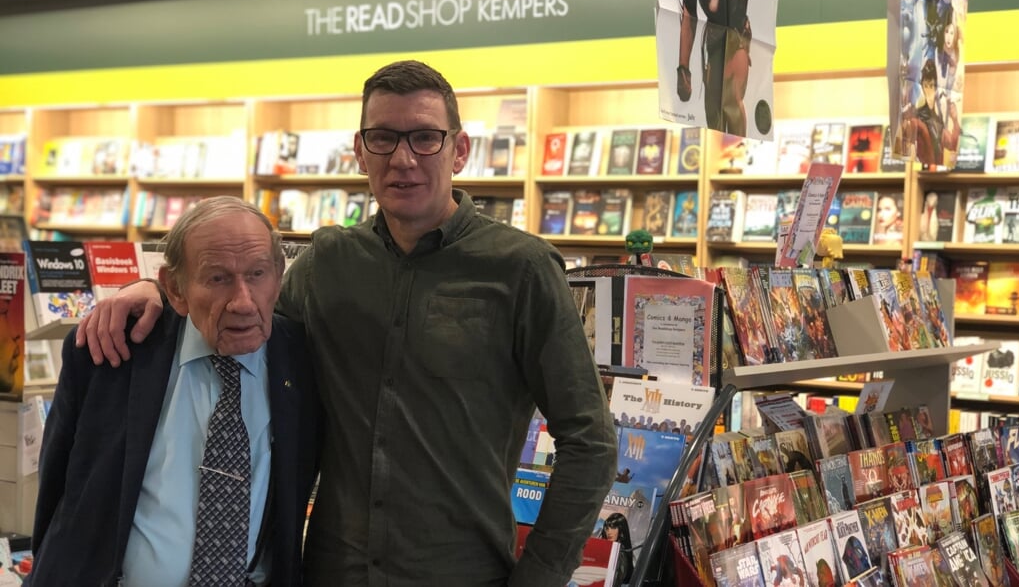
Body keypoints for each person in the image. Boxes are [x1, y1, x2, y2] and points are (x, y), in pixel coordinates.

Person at [76, 60, 618, 586]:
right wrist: (151, 287)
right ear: (360, 152)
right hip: (332, 569)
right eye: (383, 138)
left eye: (425, 137)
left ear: (461, 150)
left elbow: (589, 442)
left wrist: (540, 577)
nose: (403, 159)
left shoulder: (521, 270)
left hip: (462, 572)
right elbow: (238, 311)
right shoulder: (327, 262)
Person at [27, 196, 321, 586]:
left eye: (257, 274)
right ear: (175, 289)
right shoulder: (113, 350)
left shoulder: (304, 360)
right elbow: (55, 491)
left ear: (279, 276)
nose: (243, 302)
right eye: (218, 278)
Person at [677, 0, 753, 135]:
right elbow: (689, 15)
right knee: (713, 112)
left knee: (732, 103)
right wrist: (683, 69)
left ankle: (737, 149)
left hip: (736, 38)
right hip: (715, 42)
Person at [599, 512, 634, 585]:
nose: (609, 531)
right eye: (607, 528)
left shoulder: (621, 553)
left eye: (613, 527)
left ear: (621, 530)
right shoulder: (606, 549)